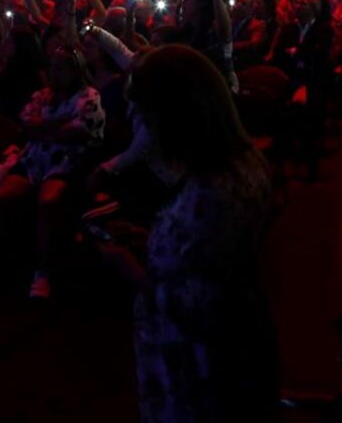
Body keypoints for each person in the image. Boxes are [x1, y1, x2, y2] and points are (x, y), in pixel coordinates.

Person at [99, 44, 278, 422]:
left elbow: (196, 305)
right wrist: (146, 238)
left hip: (197, 367)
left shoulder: (209, 193)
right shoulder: (241, 163)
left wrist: (128, 266)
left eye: (143, 112)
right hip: (234, 346)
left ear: (172, 115)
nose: (138, 122)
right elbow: (202, 261)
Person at [0, 46, 104, 299]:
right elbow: (27, 124)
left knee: (48, 202)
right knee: (3, 197)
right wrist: (58, 125)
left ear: (76, 70)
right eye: (53, 67)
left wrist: (46, 126)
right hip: (34, 159)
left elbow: (80, 130)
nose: (55, 72)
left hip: (66, 161)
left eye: (61, 68)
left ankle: (43, 271)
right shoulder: (44, 95)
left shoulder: (89, 95)